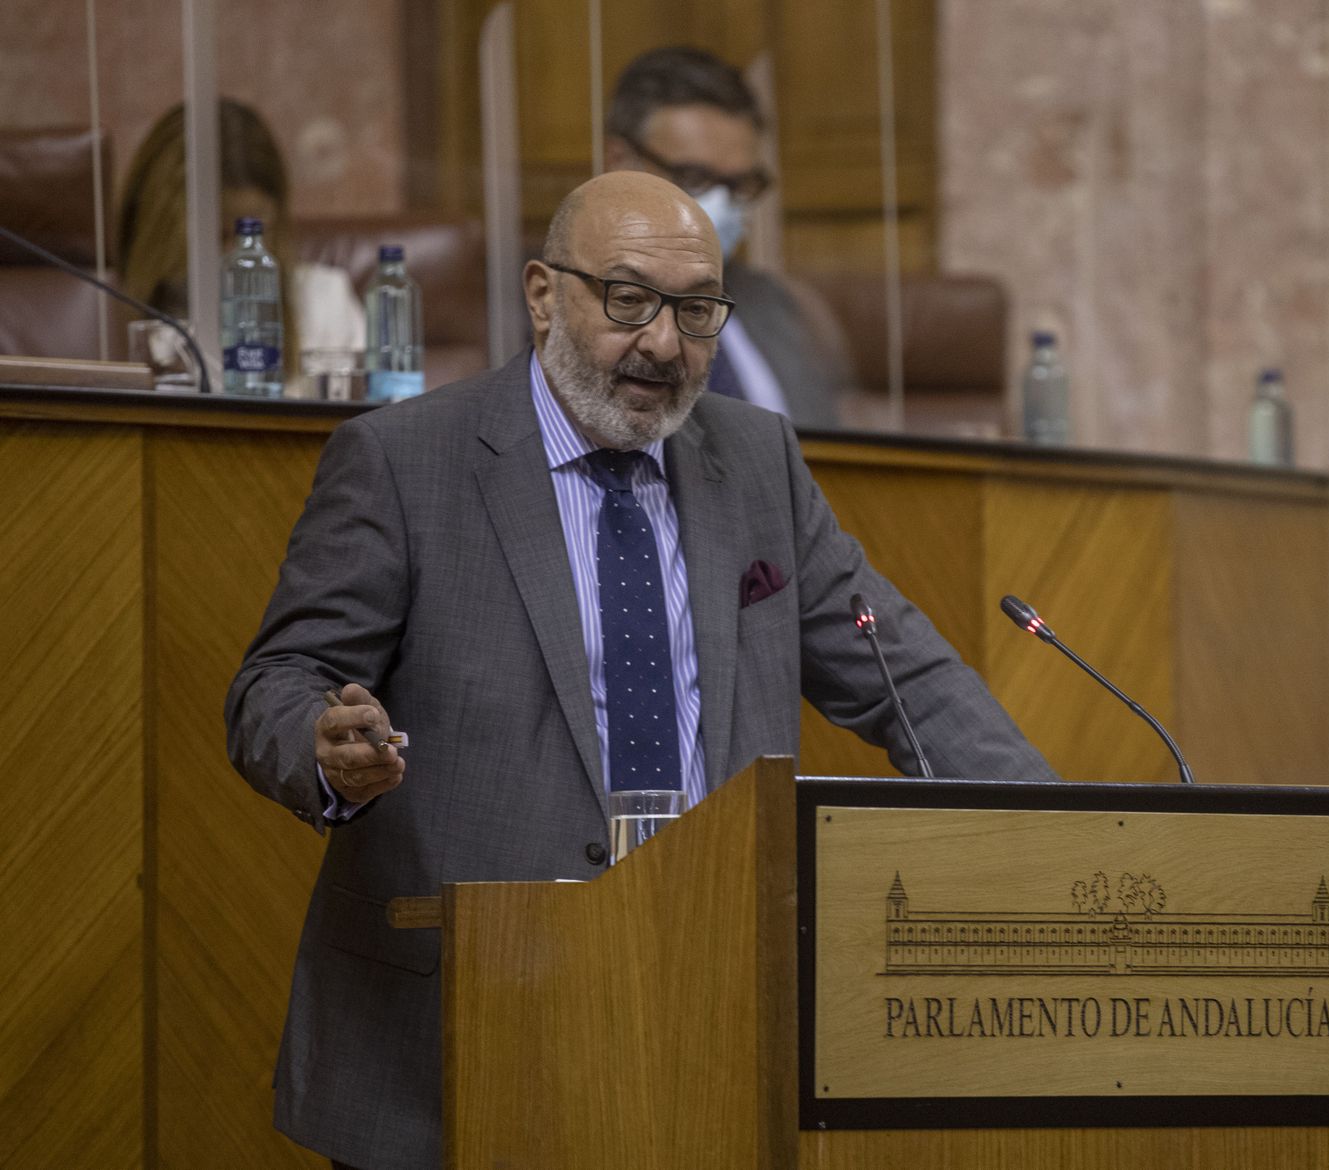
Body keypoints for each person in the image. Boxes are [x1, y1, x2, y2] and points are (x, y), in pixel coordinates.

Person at [225, 170, 1052, 1170]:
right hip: (460, 1025)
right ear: (543, 295)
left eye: (696, 311)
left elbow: (901, 675)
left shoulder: (755, 460)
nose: (663, 342)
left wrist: (1056, 833)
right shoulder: (406, 460)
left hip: (709, 1009)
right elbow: (281, 678)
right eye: (628, 300)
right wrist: (323, 750)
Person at [603, 45, 848, 429]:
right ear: (620, 161)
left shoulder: (771, 302)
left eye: (739, 185)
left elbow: (828, 449)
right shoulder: (576, 306)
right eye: (695, 178)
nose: (719, 205)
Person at [117, 99, 364, 378]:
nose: (235, 255)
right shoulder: (105, 315)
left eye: (253, 233)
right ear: (157, 227)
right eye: (215, 236)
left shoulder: (324, 303)